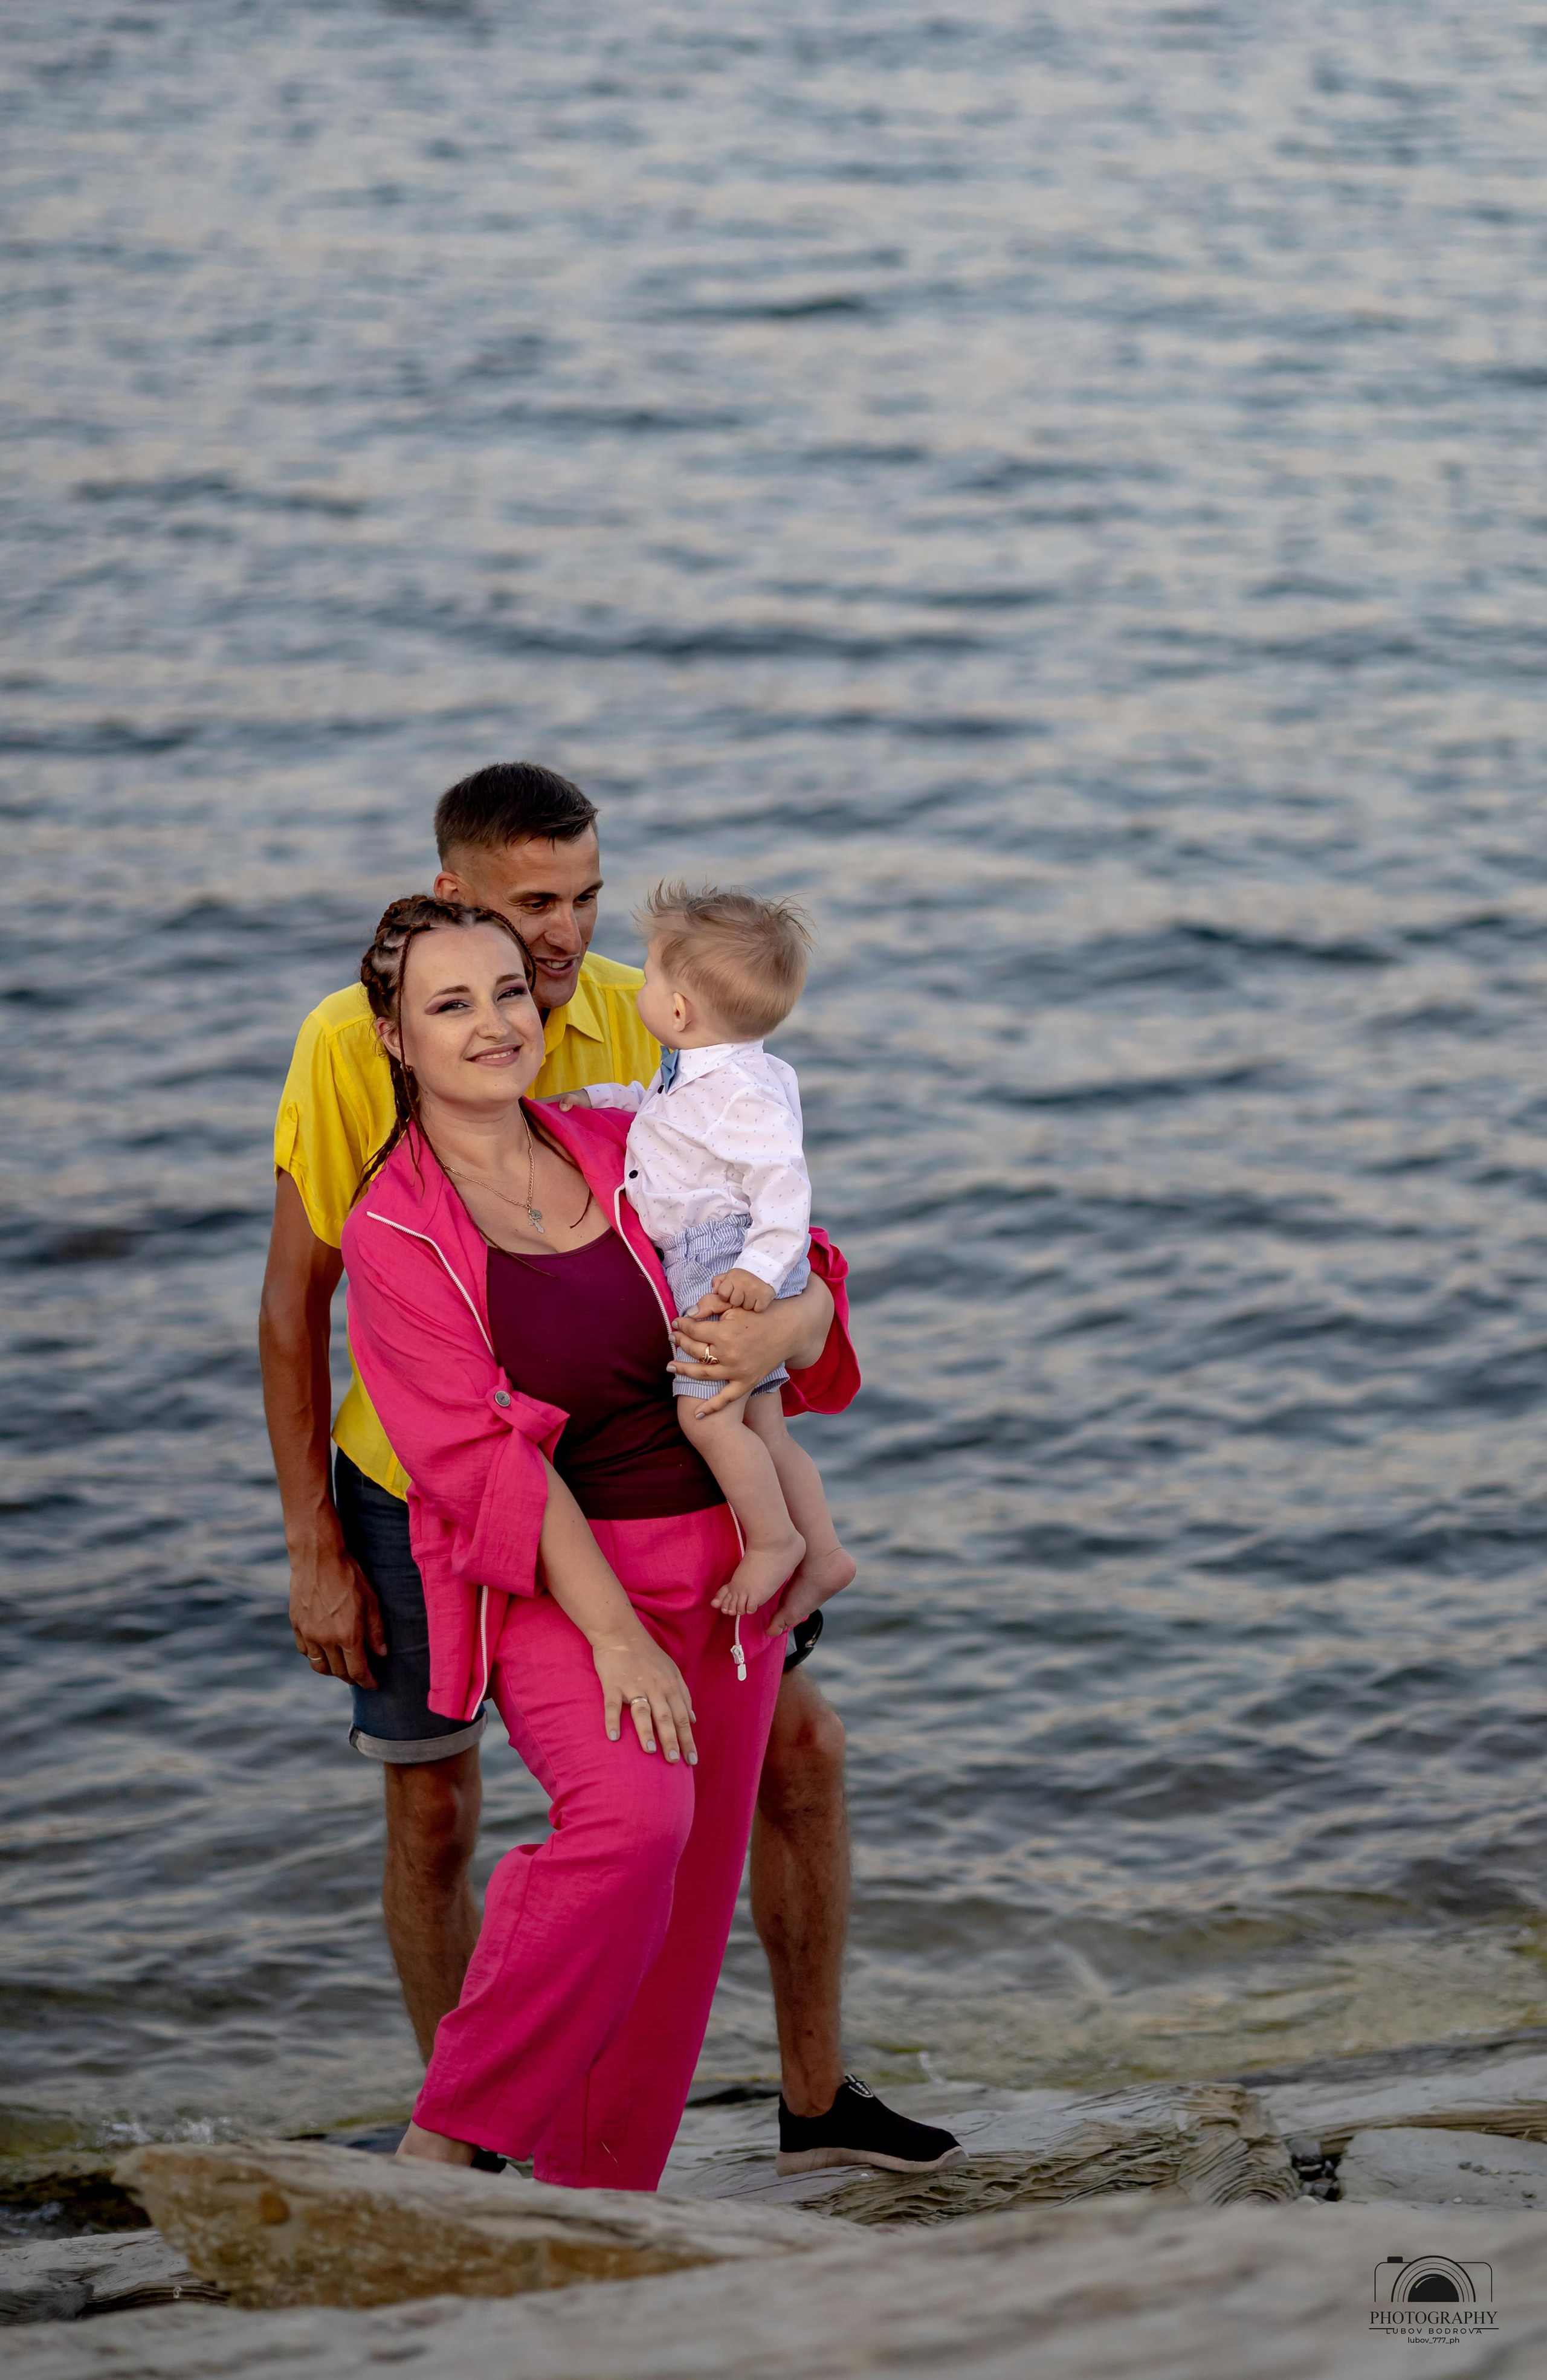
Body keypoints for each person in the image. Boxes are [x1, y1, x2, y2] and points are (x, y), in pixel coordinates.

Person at [259, 760, 961, 2176]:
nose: (551, 955)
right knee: (461, 1803)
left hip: (684, 1505)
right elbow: (306, 1308)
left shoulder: (644, 1051)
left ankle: (687, 2145)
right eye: (526, 920)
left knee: (745, 1795)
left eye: (576, 911)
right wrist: (314, 1543)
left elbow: (773, 1246)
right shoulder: (359, 1067)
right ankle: (459, 2130)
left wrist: (797, 1315)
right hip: (459, 1500)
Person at [341, 894, 859, 2183]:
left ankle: (600, 2203)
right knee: (628, 1827)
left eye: (508, 992)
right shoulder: (394, 1230)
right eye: (449, 1003)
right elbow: (475, 1461)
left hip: (726, 1569)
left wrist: (778, 1332)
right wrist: (615, 1634)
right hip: (564, 1590)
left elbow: (815, 1271)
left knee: (683, 1911)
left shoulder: (623, 1140)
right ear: (396, 1038)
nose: (491, 1022)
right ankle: (446, 2143)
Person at [567, 881, 854, 1627]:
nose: (643, 982)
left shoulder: (738, 1096)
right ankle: (824, 1551)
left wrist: (758, 1273)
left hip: (721, 1256)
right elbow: (667, 1118)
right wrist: (602, 1102)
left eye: (652, 973)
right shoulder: (714, 1073)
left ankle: (774, 1542)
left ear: (680, 1009)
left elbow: (784, 1182)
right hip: (727, 1248)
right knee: (761, 1423)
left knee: (706, 1418)